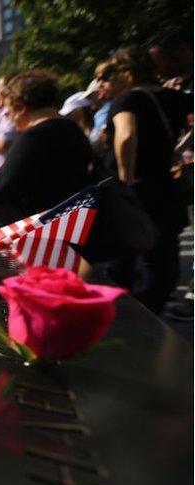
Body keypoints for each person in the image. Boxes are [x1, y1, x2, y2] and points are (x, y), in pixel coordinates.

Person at [97, 47, 192, 314]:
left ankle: (132, 320)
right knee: (163, 259)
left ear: (126, 72)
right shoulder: (175, 98)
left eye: (108, 76)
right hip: (165, 186)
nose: (105, 84)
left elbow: (126, 135)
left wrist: (127, 180)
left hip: (137, 190)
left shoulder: (127, 100)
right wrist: (177, 150)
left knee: (124, 259)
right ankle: (155, 315)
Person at [0, 70, 94, 225]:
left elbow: (7, 190)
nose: (7, 116)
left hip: (41, 231)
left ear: (21, 108)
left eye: (9, 110)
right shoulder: (74, 131)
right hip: (71, 225)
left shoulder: (32, 138)